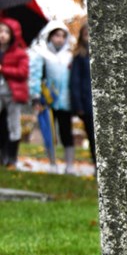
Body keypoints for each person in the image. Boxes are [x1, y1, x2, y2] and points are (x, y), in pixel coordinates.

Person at [29, 21, 74, 174]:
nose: (59, 39)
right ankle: (52, 163)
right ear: (49, 36)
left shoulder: (69, 55)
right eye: (56, 35)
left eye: (62, 36)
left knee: (66, 132)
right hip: (47, 100)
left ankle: (69, 165)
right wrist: (35, 96)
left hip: (66, 101)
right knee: (49, 132)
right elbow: (35, 76)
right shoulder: (41, 53)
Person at [0, 17, 29, 169]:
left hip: (12, 93)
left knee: (13, 124)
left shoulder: (20, 53)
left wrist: (4, 69)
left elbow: (23, 72)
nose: (2, 35)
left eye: (6, 32)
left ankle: (12, 158)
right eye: (0, 31)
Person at [68, 22, 95, 167]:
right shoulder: (79, 56)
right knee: (92, 136)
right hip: (87, 103)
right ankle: (97, 165)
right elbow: (75, 82)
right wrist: (78, 105)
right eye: (86, 34)